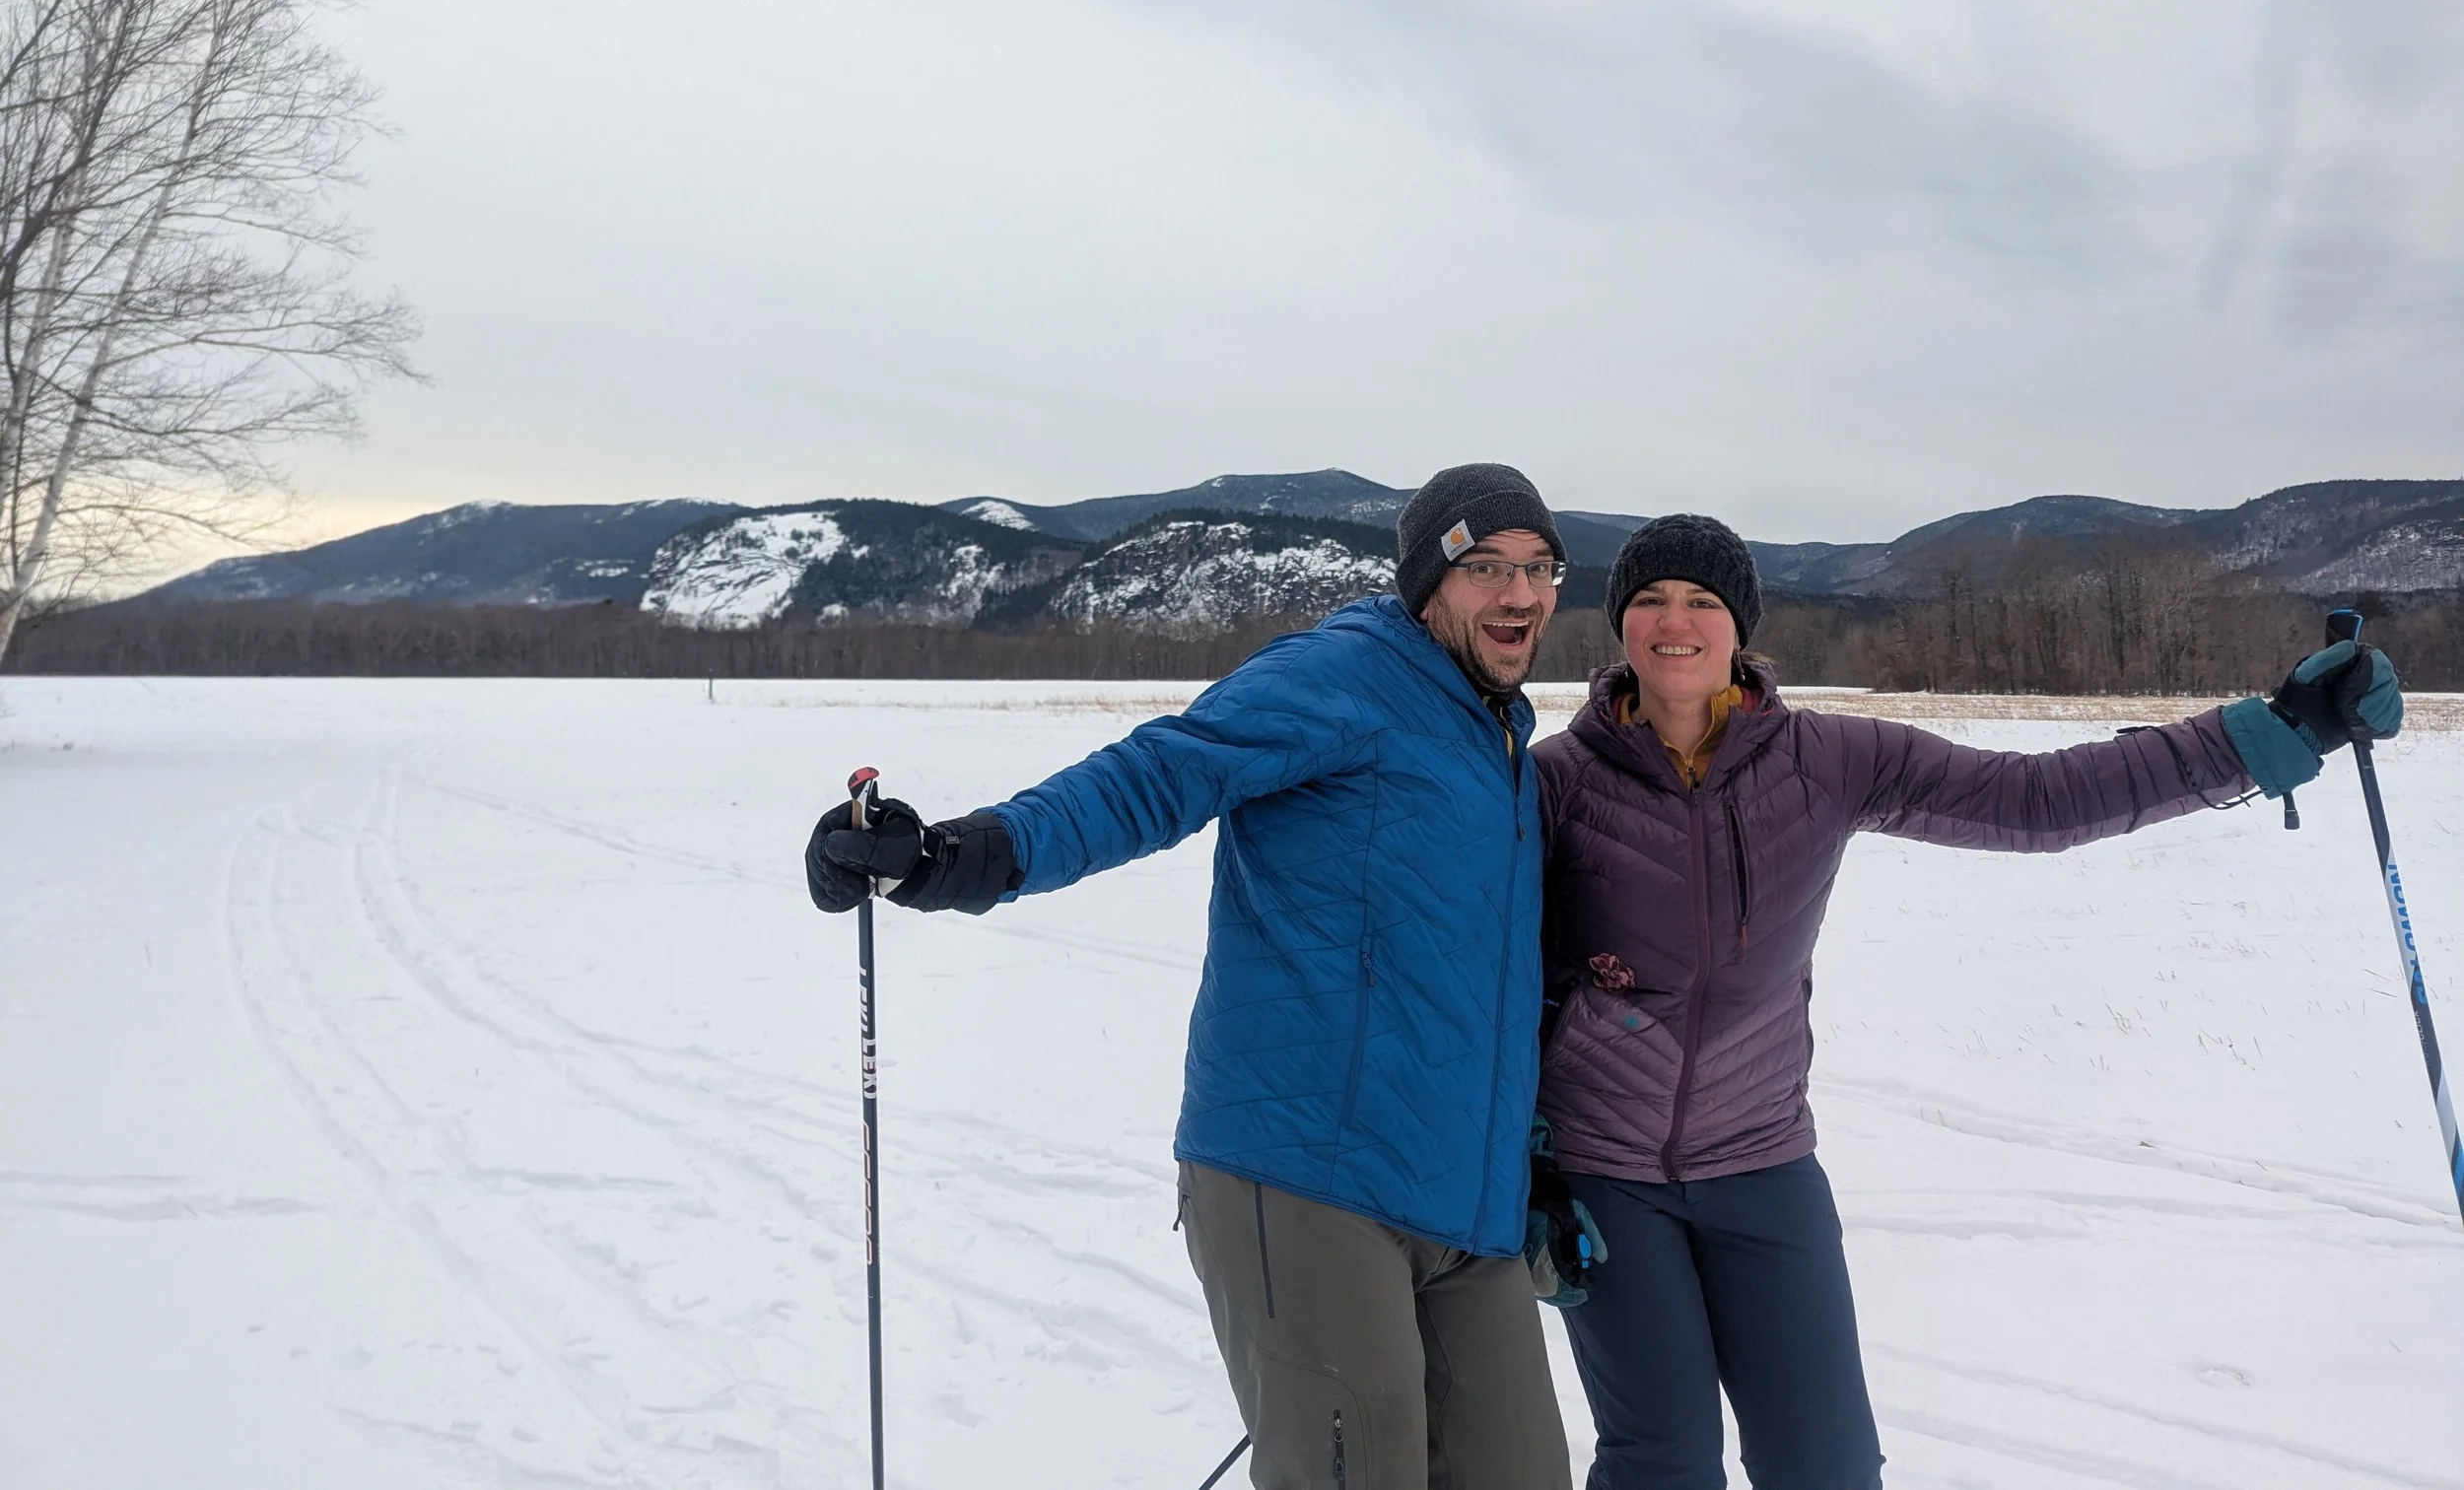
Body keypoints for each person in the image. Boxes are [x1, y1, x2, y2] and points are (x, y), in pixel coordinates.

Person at [1533, 513, 2403, 1490]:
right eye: (1649, 600)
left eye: (1701, 601)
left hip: (1762, 1160)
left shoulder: (1826, 758)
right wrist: (1520, 1161)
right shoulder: (1554, 784)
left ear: (1739, 627)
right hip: (1605, 1173)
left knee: (1826, 1462)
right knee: (1662, 1461)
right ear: (1619, 621)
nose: (1673, 622)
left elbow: (2034, 799)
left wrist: (2272, 733)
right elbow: (1472, 965)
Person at [806, 463, 1580, 1490]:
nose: (1519, 593)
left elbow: (1488, 975)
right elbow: (1160, 772)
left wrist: (1526, 1155)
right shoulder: (1343, 676)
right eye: (1485, 567)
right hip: (1310, 1175)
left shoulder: (1501, 736)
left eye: (1539, 567)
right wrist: (968, 853)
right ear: (1426, 584)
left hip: (1465, 1208)